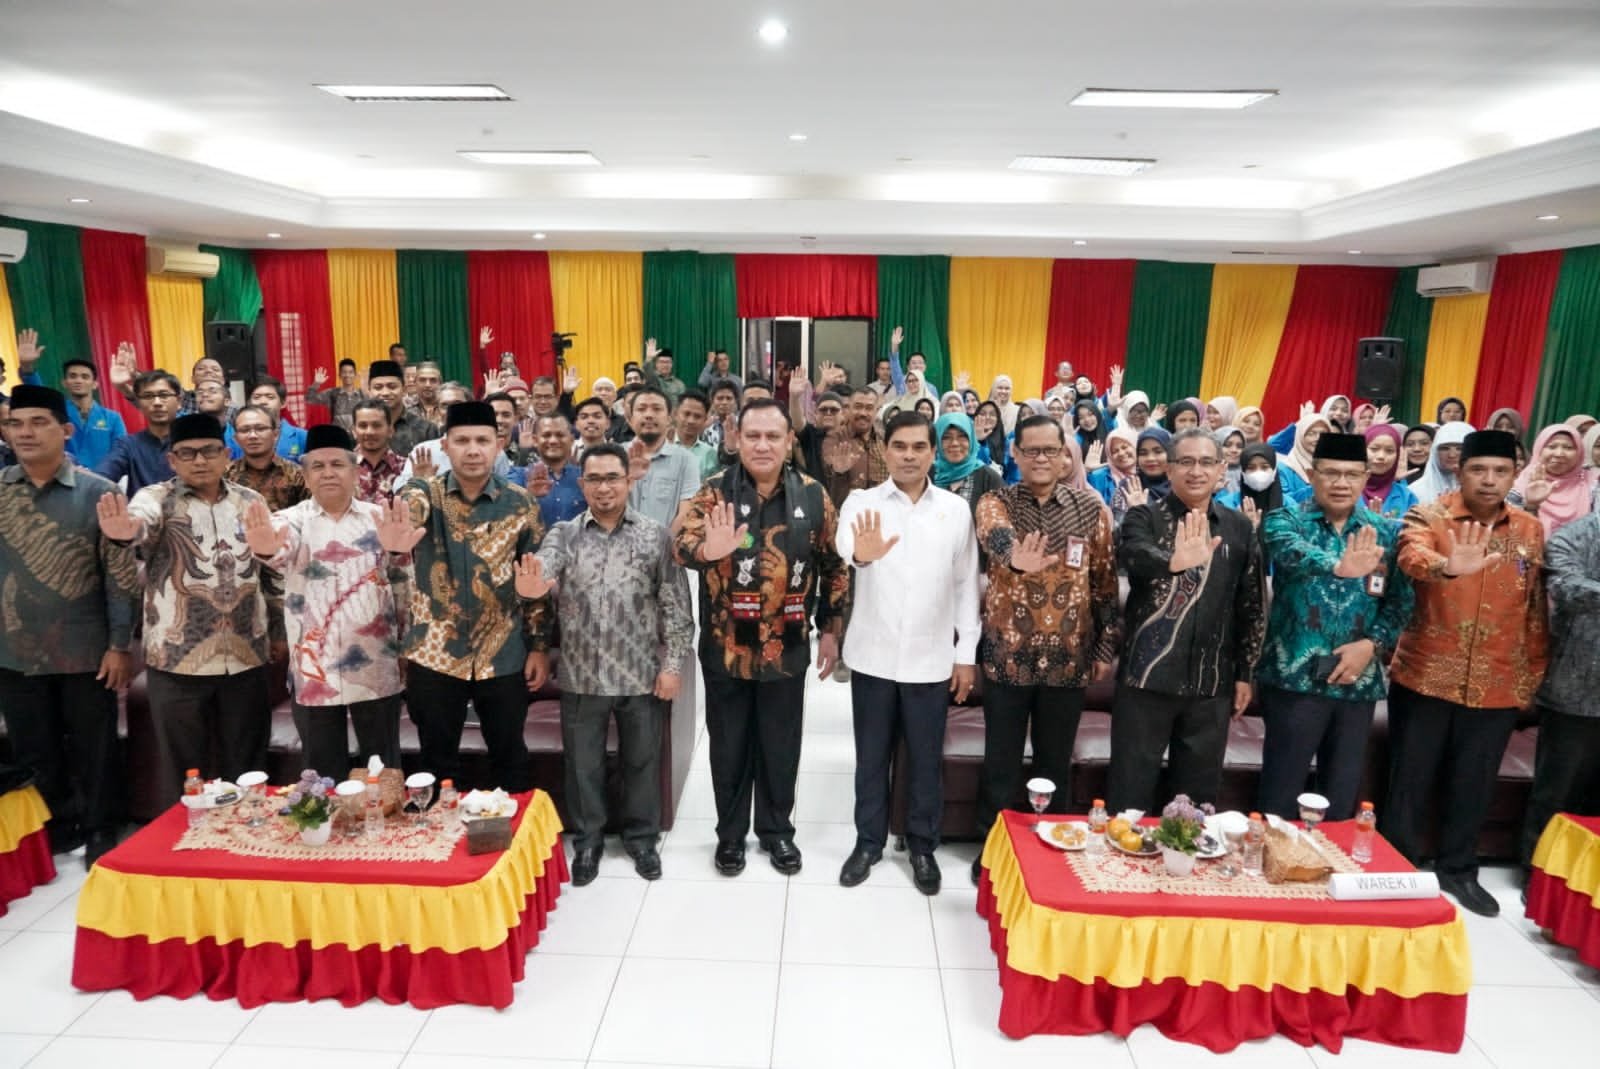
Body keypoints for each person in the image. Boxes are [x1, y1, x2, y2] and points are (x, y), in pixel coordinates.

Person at [673, 399, 848, 877]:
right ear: (737, 440)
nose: (763, 445)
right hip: (726, 647)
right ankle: (730, 836)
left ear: (789, 441)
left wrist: (830, 630)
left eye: (773, 436)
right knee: (728, 746)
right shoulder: (714, 492)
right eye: (753, 436)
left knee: (780, 745)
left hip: (786, 647)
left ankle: (776, 832)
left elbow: (835, 565)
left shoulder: (812, 494)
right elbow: (681, 546)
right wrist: (709, 549)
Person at [1385, 430, 1548, 917]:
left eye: (1501, 471)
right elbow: (1411, 557)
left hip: (1497, 680)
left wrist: (1531, 674)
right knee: (1409, 780)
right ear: (1460, 471)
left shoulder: (1529, 530)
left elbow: (1534, 607)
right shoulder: (1428, 515)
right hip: (1426, 675)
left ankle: (1459, 870)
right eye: (1479, 469)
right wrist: (1449, 566)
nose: (1489, 480)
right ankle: (1398, 868)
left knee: (1474, 785)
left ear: (1515, 474)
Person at [514, 443, 694, 885]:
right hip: (582, 674)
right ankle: (588, 842)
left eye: (613, 477)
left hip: (640, 673)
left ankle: (641, 839)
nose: (604, 487)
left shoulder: (655, 536)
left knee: (642, 762)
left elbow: (675, 606)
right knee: (583, 766)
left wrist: (672, 665)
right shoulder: (564, 534)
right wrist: (533, 584)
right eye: (594, 479)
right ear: (582, 484)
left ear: (629, 480)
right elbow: (544, 570)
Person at [95, 413, 276, 803]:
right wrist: (126, 533)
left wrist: (278, 632)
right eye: (188, 453)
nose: (200, 460)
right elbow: (139, 523)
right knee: (185, 769)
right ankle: (186, 835)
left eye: (209, 451)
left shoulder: (251, 501)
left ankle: (245, 833)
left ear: (226, 454)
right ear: (172, 460)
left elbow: (271, 570)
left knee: (247, 765)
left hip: (245, 654)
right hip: (178, 659)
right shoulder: (155, 499)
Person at [834, 413, 980, 895]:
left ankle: (921, 846)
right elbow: (846, 547)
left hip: (931, 657)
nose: (910, 455)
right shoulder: (862, 502)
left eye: (919, 446)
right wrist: (863, 555)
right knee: (871, 758)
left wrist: (966, 652)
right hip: (873, 654)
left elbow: (966, 584)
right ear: (885, 450)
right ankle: (868, 843)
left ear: (933, 453)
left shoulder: (955, 510)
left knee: (924, 760)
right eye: (900, 446)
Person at [971, 414, 1119, 884]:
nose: (1040, 458)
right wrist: (1014, 555)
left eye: (1049, 450)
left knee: (1054, 762)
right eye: (1030, 450)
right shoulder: (997, 501)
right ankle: (993, 853)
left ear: (1064, 457)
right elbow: (992, 533)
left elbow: (1104, 583)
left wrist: (1104, 648)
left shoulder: (1090, 508)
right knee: (1000, 763)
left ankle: (1051, 853)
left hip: (1068, 661)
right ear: (1015, 454)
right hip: (1007, 659)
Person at [0, 385, 139, 866]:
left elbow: (120, 577)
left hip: (85, 648)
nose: (25, 432)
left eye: (38, 422)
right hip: (13, 647)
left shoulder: (98, 493)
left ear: (65, 430)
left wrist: (119, 644)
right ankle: (58, 825)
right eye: (15, 424)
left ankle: (101, 825)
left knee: (94, 744)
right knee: (32, 744)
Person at [385, 401, 551, 791]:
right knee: (436, 762)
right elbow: (409, 509)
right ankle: (441, 829)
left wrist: (539, 647)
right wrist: (397, 535)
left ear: (498, 444)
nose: (473, 450)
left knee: (510, 758)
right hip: (435, 654)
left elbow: (535, 579)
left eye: (482, 440)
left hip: (503, 652)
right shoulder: (425, 492)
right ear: (445, 445)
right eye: (462, 441)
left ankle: (512, 828)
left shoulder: (521, 504)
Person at [1255, 433, 1415, 823]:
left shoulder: (1386, 533)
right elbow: (1288, 551)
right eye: (1330, 473)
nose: (1341, 483)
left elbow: (1401, 602)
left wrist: (1371, 645)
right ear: (1312, 475)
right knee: (1280, 794)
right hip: (1294, 680)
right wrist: (1337, 566)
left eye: (1351, 474)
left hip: (1356, 683)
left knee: (1340, 799)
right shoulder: (1285, 520)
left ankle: (1331, 860)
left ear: (1365, 478)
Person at [1109, 428, 1266, 813]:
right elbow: (1133, 555)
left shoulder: (1238, 527)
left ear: (1221, 470)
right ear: (1169, 468)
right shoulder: (1144, 517)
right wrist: (1173, 562)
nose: (1197, 471)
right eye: (1186, 462)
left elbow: (1251, 605)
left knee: (1196, 802)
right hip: (1146, 678)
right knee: (1129, 793)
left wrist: (1245, 672)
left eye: (1206, 462)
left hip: (1211, 682)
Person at [241, 423, 407, 778]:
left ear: (355, 470)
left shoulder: (381, 519)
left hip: (375, 661)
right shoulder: (290, 520)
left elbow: (403, 583)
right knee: (321, 773)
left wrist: (398, 552)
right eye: (318, 466)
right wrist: (266, 549)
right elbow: (279, 547)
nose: (328, 473)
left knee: (383, 772)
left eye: (337, 464)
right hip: (313, 667)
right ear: (305, 474)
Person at [1518, 509, 1600, 871]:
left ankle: (1587, 881)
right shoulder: (1574, 536)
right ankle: (1538, 875)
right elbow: (1566, 587)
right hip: (1574, 689)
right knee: (1555, 794)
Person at [624, 386, 701, 529]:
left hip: (667, 541)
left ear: (669, 419)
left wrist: (664, 541)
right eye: (641, 409)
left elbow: (686, 511)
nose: (649, 415)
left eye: (656, 409)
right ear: (630, 419)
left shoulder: (686, 460)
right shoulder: (616, 456)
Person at [95, 369, 178, 496]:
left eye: (164, 395)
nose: (157, 403)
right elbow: (103, 476)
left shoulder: (191, 443)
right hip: (140, 508)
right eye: (148, 396)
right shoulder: (128, 445)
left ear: (179, 401)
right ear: (138, 403)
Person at [1509, 424, 1595, 539]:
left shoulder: (1592, 484)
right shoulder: (1521, 483)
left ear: (1579, 453)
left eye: (1568, 448)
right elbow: (1508, 531)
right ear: (1539, 450)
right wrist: (1531, 505)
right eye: (1552, 447)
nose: (1559, 454)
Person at [226, 405, 308, 511]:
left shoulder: (297, 475)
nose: (252, 436)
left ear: (276, 434)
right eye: (245, 430)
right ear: (236, 438)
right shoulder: (225, 476)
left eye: (260, 428)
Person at [53, 358, 127, 470]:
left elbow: (120, 453)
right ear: (64, 383)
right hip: (64, 476)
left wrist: (100, 474)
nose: (78, 381)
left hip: (102, 477)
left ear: (95, 384)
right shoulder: (56, 414)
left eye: (85, 377)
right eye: (73, 376)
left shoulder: (112, 418)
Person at [820, 387, 888, 506]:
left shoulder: (885, 440)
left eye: (869, 408)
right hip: (846, 510)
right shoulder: (835, 438)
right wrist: (839, 470)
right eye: (858, 407)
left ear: (876, 411)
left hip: (882, 511)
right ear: (848, 409)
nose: (863, 413)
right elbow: (828, 466)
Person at [932, 412, 1002, 516]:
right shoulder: (927, 476)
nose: (955, 443)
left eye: (962, 436)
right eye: (946, 437)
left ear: (971, 439)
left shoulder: (988, 478)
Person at [226, 377, 306, 461]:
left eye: (270, 397)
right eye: (257, 397)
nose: (263, 402)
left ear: (283, 403)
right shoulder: (234, 436)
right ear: (249, 403)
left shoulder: (302, 436)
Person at [526, 413, 585, 526]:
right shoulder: (518, 476)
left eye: (560, 435)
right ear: (535, 440)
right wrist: (528, 497)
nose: (553, 440)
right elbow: (507, 520)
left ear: (572, 440)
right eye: (546, 435)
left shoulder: (585, 477)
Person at [1111, 426, 1172, 528]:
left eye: (1158, 451)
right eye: (1143, 453)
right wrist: (1136, 513)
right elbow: (1118, 532)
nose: (1150, 458)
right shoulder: (1127, 487)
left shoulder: (1183, 484)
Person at [350, 398, 406, 505]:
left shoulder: (405, 468)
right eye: (363, 426)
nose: (369, 432)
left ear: (390, 430)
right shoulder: (342, 467)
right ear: (354, 431)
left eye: (376, 425)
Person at [1408, 420, 1475, 504]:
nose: (1452, 455)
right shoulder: (1415, 491)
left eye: (1459, 449)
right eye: (1444, 448)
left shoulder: (1484, 487)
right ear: (1435, 452)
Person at [1362, 424, 1418, 521]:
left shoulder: (1406, 496)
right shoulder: (1345, 489)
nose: (1381, 456)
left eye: (1389, 451)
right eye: (1374, 449)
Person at [306, 359, 367, 430]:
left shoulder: (362, 394)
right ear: (339, 375)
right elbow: (309, 399)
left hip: (359, 434)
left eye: (350, 372)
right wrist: (316, 383)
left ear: (355, 375)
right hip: (337, 434)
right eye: (344, 372)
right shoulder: (332, 393)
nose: (347, 375)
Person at [673, 390, 720, 479]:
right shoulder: (660, 446)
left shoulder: (710, 454)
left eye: (697, 416)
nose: (691, 421)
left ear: (705, 420)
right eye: (686, 414)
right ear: (675, 414)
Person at [1088, 424, 1137, 504]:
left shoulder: (1147, 471)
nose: (1121, 453)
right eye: (1115, 451)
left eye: (1124, 447)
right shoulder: (1099, 477)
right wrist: (1086, 470)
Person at [642, 339, 688, 407]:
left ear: (672, 364)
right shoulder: (653, 379)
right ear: (656, 364)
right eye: (662, 362)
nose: (665, 365)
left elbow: (683, 405)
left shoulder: (679, 384)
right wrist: (649, 358)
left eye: (668, 362)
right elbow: (647, 372)